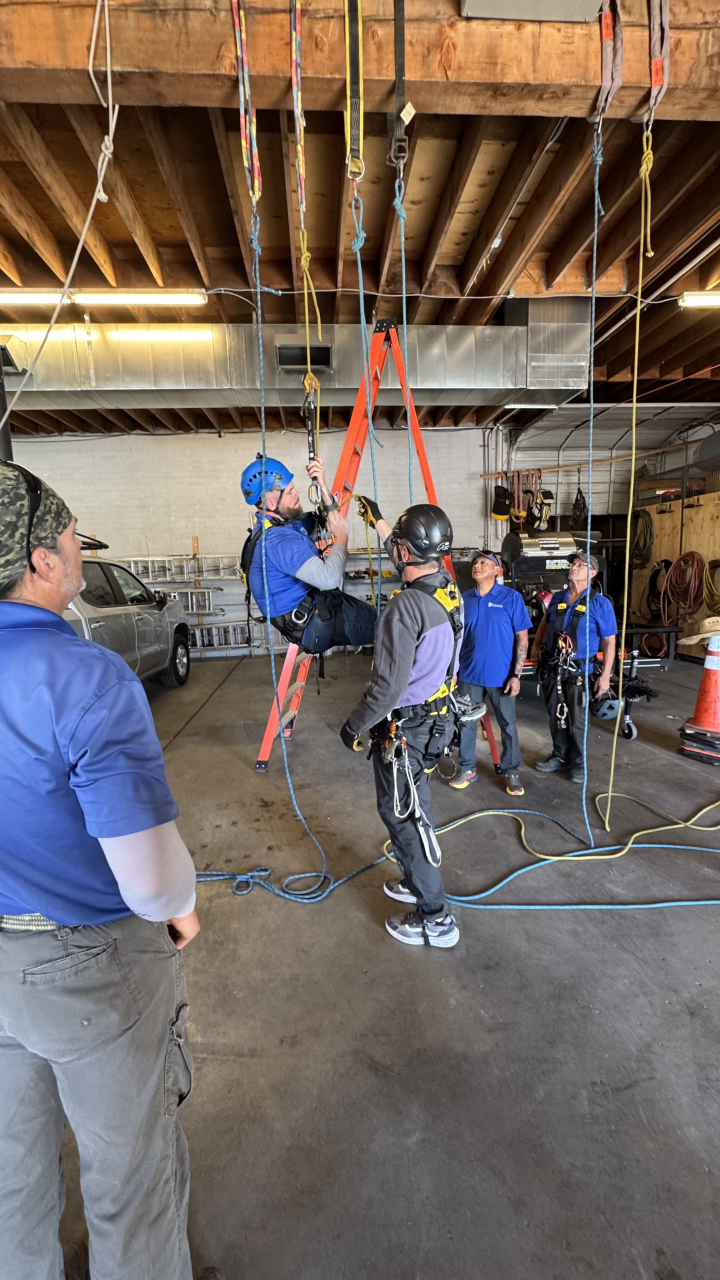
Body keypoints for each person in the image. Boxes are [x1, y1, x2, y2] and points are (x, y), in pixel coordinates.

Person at [0, 460, 222, 1280]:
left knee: (9, 1182)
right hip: (89, 967)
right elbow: (150, 880)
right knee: (130, 1180)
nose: (74, 548)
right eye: (68, 535)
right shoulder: (85, 676)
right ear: (43, 561)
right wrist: (182, 905)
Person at [340, 498, 462, 950]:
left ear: (406, 554)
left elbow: (386, 689)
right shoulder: (447, 588)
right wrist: (382, 523)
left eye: (396, 544)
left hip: (406, 730)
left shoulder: (403, 609)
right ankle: (417, 880)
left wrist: (353, 727)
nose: (392, 549)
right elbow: (416, 549)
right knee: (417, 806)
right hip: (436, 724)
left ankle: (436, 916)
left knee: (403, 817)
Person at [240, 452, 377, 653]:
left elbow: (327, 521)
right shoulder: (278, 541)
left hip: (315, 606)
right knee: (391, 626)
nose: (297, 494)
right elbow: (329, 579)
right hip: (312, 624)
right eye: (290, 492)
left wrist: (321, 484)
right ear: (271, 504)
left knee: (381, 616)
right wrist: (342, 538)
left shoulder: (283, 525)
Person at [530, 550, 617, 783]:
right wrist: (536, 645)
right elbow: (545, 623)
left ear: (592, 573)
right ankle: (560, 755)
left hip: (579, 671)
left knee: (577, 719)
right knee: (555, 715)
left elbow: (609, 641)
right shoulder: (558, 597)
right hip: (553, 667)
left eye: (580, 565)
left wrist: (606, 674)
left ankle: (578, 762)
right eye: (574, 564)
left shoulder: (600, 604)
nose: (574, 567)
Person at [449, 549, 531, 796]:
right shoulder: (465, 599)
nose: (477, 565)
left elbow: (522, 638)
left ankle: (512, 772)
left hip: (501, 677)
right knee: (466, 722)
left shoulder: (511, 598)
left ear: (497, 570)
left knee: (507, 725)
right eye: (475, 562)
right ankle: (467, 768)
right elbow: (456, 638)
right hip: (468, 675)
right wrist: (453, 672)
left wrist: (516, 675)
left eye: (484, 562)